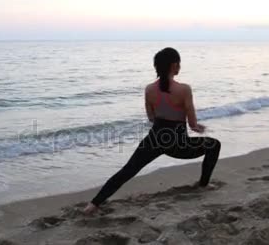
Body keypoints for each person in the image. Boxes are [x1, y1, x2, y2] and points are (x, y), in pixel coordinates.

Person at [83, 47, 221, 215]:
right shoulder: (184, 89)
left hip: (155, 138)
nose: (180, 67)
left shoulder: (149, 89)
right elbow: (192, 124)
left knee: (128, 171)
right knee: (214, 145)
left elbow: (151, 118)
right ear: (174, 65)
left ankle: (93, 204)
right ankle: (203, 185)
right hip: (178, 143)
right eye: (179, 64)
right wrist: (198, 128)